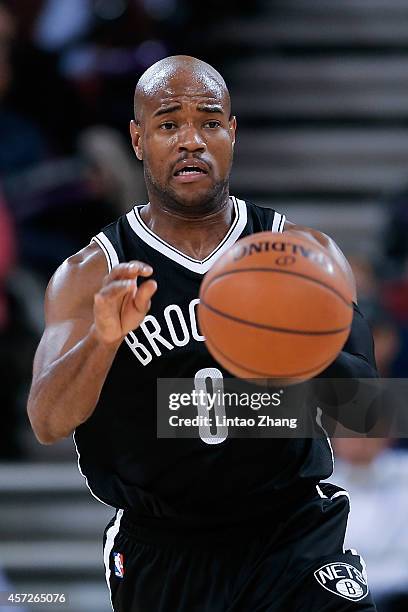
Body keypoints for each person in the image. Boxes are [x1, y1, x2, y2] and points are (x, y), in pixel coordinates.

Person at [27, 55, 379, 611]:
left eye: (210, 122)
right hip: (164, 548)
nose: (191, 140)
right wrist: (102, 340)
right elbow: (47, 421)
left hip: (293, 535)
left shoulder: (303, 255)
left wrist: (289, 355)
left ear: (232, 133)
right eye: (169, 124)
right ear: (138, 140)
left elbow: (369, 415)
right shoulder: (92, 272)